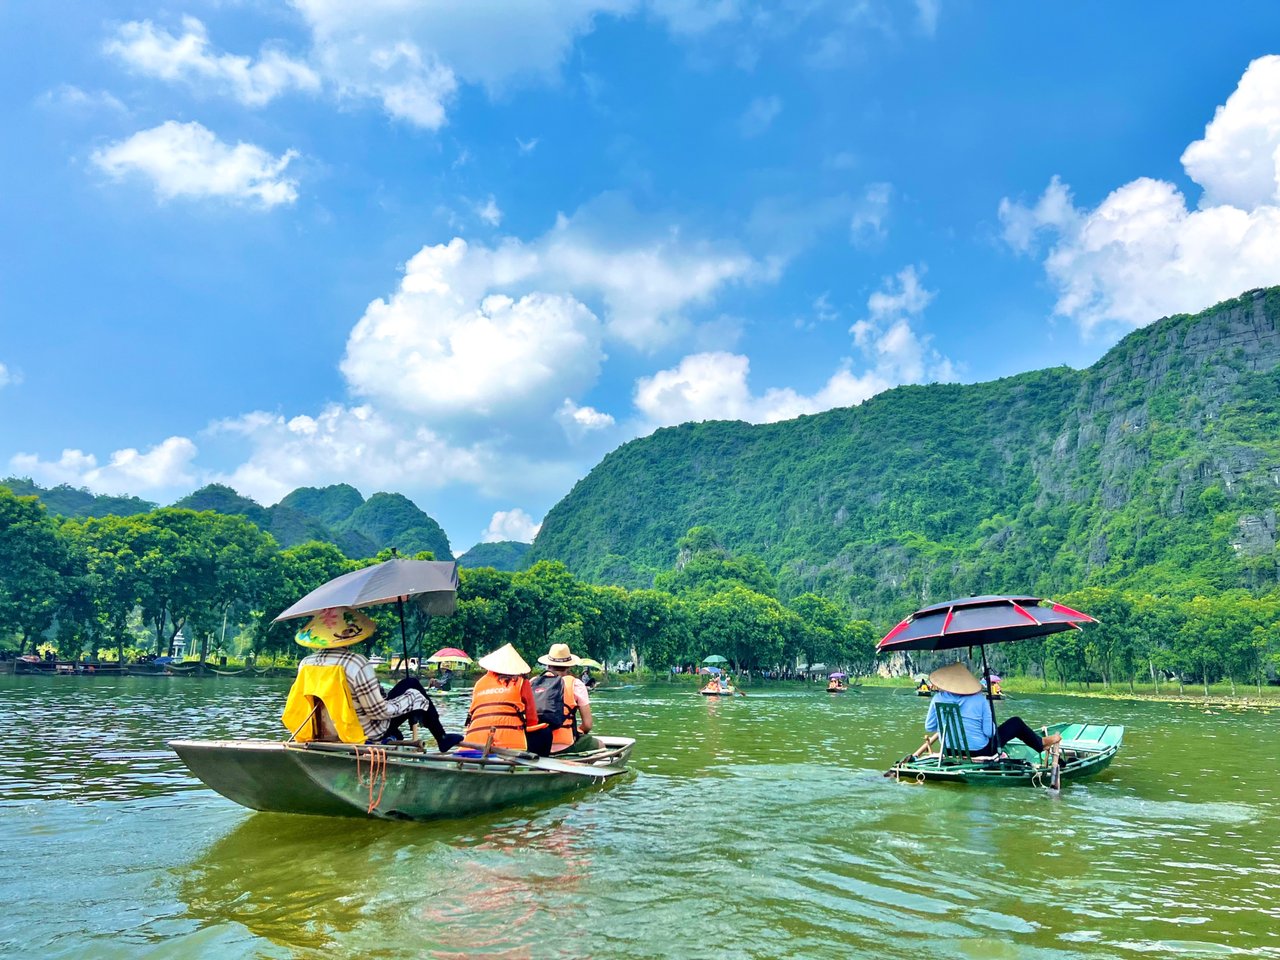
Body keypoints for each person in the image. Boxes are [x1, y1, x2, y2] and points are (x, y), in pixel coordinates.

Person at [286, 607, 463, 751]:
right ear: (349, 634)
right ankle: (441, 737)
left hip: (322, 730)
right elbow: (378, 712)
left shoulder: (306, 663)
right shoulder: (355, 663)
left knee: (410, 683)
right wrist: (413, 701)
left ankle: (439, 736)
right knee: (415, 692)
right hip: (360, 731)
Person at [923, 662, 1061, 757]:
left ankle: (1039, 743)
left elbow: (930, 726)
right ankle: (1040, 744)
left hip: (948, 751)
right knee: (1016, 723)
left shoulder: (938, 699)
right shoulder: (979, 699)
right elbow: (989, 733)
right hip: (980, 751)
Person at [465, 643, 541, 752]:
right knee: (543, 732)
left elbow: (472, 715)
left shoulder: (479, 683)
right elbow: (532, 718)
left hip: (473, 741)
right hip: (510, 743)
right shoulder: (521, 682)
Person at [531, 643, 594, 755]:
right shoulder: (576, 684)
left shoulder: (533, 682)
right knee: (598, 745)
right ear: (568, 666)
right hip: (564, 745)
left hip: (534, 745)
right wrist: (577, 732)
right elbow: (588, 725)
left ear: (548, 664)